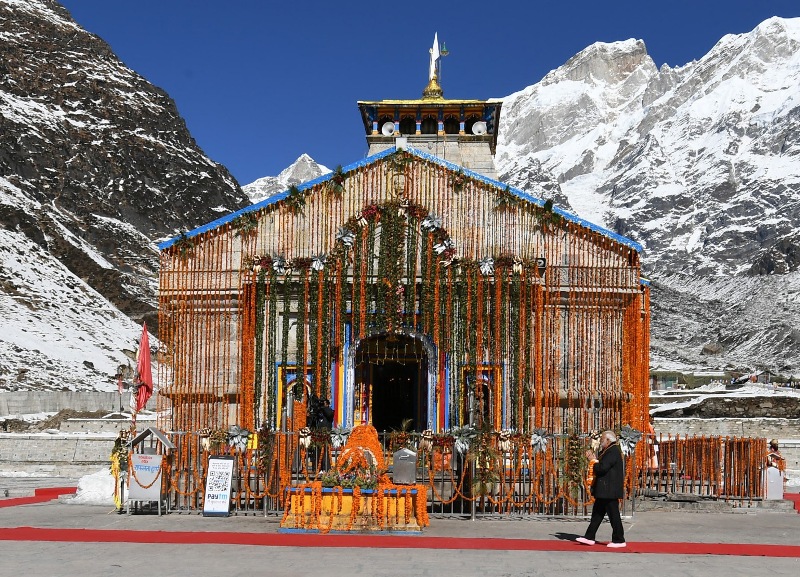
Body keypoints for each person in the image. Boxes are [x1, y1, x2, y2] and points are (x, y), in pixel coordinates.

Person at [576, 430, 626, 548]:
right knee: (597, 514)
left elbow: (602, 468)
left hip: (609, 489)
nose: (601, 441)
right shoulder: (607, 450)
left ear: (608, 440)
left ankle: (619, 540)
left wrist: (593, 461)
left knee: (614, 515)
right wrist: (594, 459)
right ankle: (589, 537)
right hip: (605, 490)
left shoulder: (613, 451)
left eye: (603, 439)